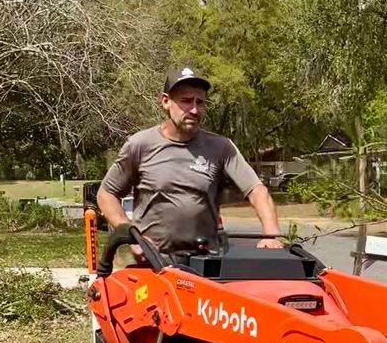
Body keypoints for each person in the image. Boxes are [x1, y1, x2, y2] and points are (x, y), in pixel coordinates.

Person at [97, 66, 284, 255]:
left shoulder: (221, 147)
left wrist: (271, 237)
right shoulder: (140, 145)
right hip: (153, 264)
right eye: (186, 101)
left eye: (200, 102)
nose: (194, 109)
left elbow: (257, 190)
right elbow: (106, 194)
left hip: (205, 263)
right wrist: (131, 234)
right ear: (166, 102)